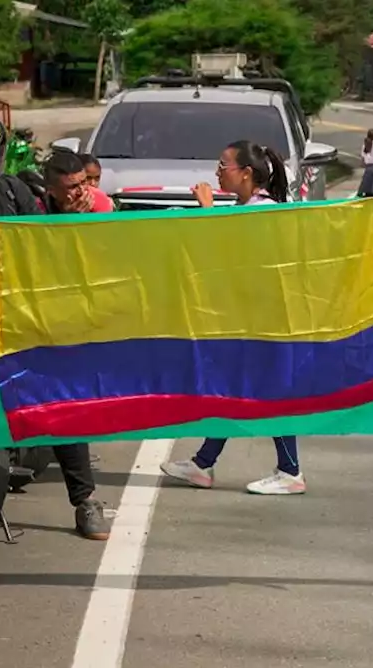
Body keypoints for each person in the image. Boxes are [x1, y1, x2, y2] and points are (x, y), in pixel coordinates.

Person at [0, 107, 113, 541]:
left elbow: (48, 241)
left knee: (60, 390)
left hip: (10, 319)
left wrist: (74, 220)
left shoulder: (13, 193)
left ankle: (85, 500)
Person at [160, 140, 306, 495]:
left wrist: (207, 210)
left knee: (265, 393)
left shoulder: (262, 211)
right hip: (247, 317)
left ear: (247, 173)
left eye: (224, 165)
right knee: (234, 388)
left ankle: (290, 471)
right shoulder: (248, 207)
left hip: (263, 321)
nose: (217, 171)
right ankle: (202, 464)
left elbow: (233, 255)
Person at [41, 149, 114, 214]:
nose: (81, 191)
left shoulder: (100, 200)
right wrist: (68, 218)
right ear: (52, 191)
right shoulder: (37, 209)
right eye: (73, 187)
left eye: (83, 182)